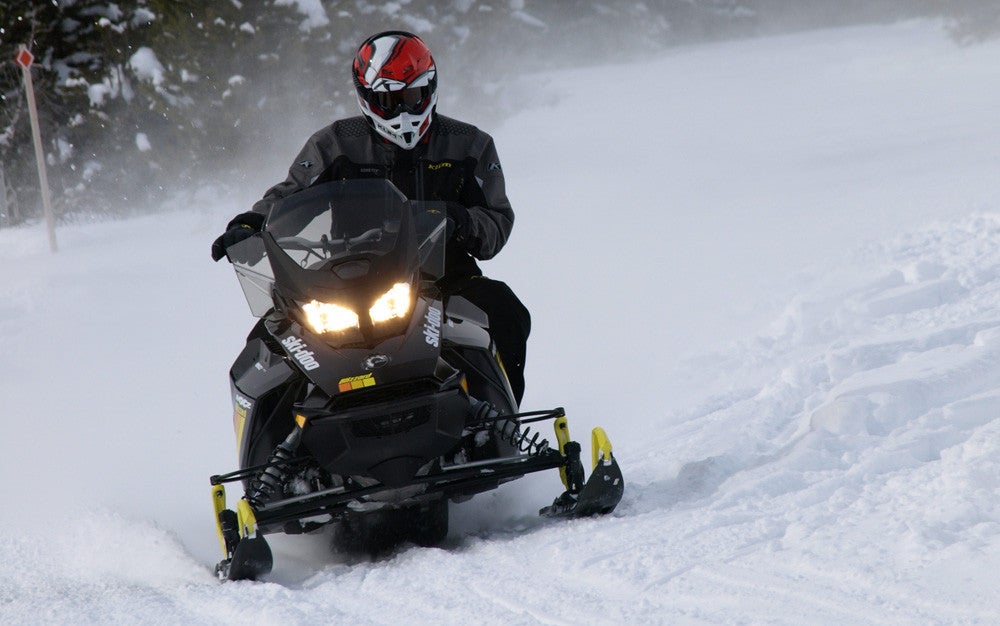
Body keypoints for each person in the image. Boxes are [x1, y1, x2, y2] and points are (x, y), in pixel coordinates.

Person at [212, 30, 530, 404]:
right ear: (366, 99)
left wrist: (458, 220)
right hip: (345, 282)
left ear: (430, 89)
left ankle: (498, 421)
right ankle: (273, 451)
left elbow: (497, 220)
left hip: (443, 279)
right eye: (388, 100)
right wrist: (251, 223)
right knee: (265, 348)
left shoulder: (470, 145)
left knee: (504, 311)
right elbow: (289, 195)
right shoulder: (335, 144)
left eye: (412, 97)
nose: (403, 111)